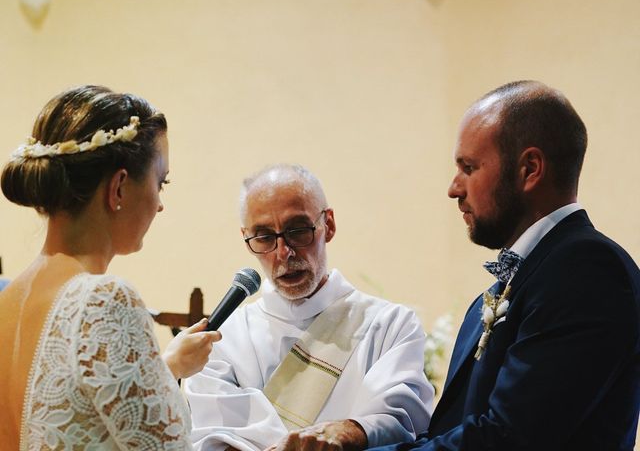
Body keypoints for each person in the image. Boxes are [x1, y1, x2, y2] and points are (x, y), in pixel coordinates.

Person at [370, 80, 640, 451]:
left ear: (530, 169)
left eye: (469, 167)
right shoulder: (520, 279)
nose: (454, 188)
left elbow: (508, 439)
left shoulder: (589, 270)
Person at [0, 85, 220, 449]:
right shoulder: (104, 299)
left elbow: (67, 408)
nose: (160, 204)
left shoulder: (8, 301)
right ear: (118, 187)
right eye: (159, 182)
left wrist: (164, 368)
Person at [185, 164, 434, 451]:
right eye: (265, 236)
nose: (284, 252)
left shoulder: (391, 325)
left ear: (328, 224)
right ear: (246, 238)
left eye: (298, 230)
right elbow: (211, 438)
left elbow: (400, 419)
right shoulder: (222, 340)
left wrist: (346, 432)